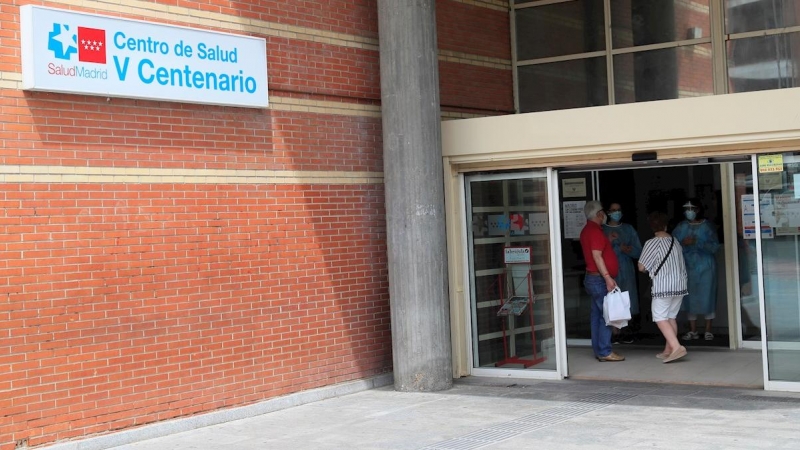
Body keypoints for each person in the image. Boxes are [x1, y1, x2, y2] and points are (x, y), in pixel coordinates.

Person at [638, 212, 688, 363]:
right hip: (679, 285)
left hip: (663, 286)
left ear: (652, 227)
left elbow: (641, 267)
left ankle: (677, 346)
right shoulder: (676, 241)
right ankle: (669, 350)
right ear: (666, 225)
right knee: (670, 317)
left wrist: (650, 269)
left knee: (660, 318)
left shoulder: (651, 243)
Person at [580, 200, 624, 362]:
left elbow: (597, 252)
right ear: (599, 214)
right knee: (606, 315)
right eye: (603, 212)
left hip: (593, 278)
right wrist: (607, 277)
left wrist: (609, 242)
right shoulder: (595, 231)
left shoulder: (588, 230)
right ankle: (605, 351)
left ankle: (599, 349)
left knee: (597, 315)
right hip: (598, 279)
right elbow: (597, 256)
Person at [673, 199, 720, 341]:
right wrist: (683, 243)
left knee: (707, 296)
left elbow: (714, 246)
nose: (689, 211)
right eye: (686, 208)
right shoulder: (681, 227)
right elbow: (672, 245)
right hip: (687, 266)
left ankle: (708, 329)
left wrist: (697, 242)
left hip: (705, 266)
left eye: (692, 208)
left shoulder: (707, 227)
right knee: (689, 298)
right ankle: (693, 330)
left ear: (698, 209)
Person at [603, 202, 642, 343]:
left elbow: (639, 251)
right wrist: (610, 243)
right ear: (607, 212)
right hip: (610, 269)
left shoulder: (628, 229)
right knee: (612, 300)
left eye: (618, 210)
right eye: (613, 210)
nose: (616, 213)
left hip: (626, 268)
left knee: (626, 299)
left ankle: (625, 331)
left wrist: (628, 250)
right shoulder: (603, 230)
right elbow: (597, 251)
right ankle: (614, 333)